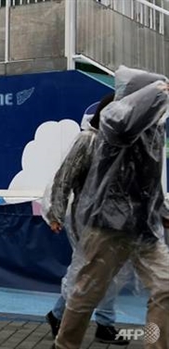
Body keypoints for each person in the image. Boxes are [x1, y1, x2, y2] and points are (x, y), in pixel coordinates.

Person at [54, 66, 169, 349]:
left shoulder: (154, 132)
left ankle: (156, 344)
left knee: (165, 287)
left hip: (144, 228)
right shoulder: (112, 120)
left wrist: (163, 213)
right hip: (107, 227)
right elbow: (64, 178)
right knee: (86, 294)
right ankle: (65, 345)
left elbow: (151, 183)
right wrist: (159, 89)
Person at [43, 93, 130, 345]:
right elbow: (64, 178)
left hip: (118, 221)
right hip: (89, 220)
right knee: (88, 272)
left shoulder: (125, 143)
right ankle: (67, 319)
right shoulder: (88, 140)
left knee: (110, 274)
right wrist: (55, 213)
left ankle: (100, 323)